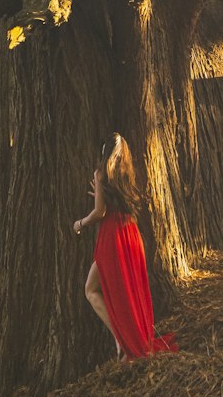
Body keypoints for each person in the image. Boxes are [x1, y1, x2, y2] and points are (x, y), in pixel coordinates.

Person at [72, 132, 178, 360]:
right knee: (130, 290)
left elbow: (100, 213)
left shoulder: (100, 174)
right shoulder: (126, 173)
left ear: (105, 152)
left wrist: (80, 223)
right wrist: (100, 193)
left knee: (91, 290)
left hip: (112, 238)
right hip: (130, 234)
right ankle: (129, 339)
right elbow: (112, 203)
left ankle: (122, 341)